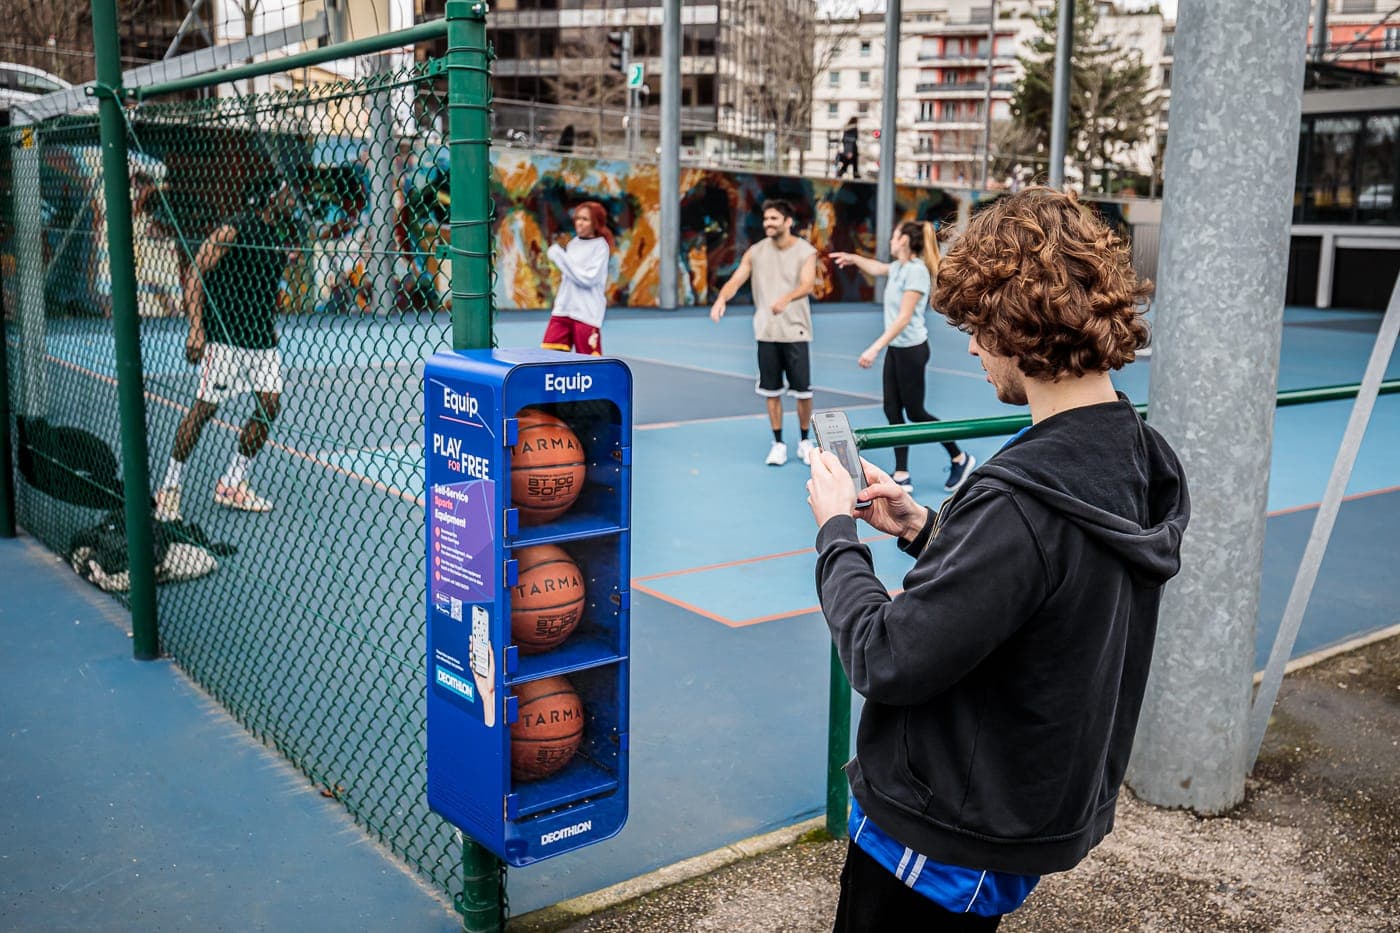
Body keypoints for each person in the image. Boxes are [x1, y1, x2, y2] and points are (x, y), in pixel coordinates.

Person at [806, 186, 1189, 931]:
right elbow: (1041, 583)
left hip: (939, 833)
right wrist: (923, 527)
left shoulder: (1019, 500)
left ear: (1019, 323)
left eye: (980, 327)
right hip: (1017, 812)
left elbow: (885, 657)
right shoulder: (1133, 455)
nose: (974, 347)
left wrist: (836, 535)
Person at [153, 180, 303, 522]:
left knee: (269, 406)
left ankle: (233, 482)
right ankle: (169, 487)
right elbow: (195, 273)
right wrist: (196, 328)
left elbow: (260, 287)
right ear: (270, 197)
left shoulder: (274, 236)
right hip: (225, 340)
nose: (292, 200)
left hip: (261, 342)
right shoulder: (233, 229)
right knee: (204, 409)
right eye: (286, 194)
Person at [830, 221, 975, 496]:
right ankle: (902, 473)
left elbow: (904, 318)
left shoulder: (917, 272)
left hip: (911, 351)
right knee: (892, 410)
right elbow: (877, 268)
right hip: (897, 349)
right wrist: (853, 259)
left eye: (895, 235)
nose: (891, 240)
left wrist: (875, 348)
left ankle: (959, 457)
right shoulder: (898, 267)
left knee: (916, 412)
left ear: (906, 241)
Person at [710, 199, 819, 466]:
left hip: (796, 331)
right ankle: (778, 443)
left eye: (773, 219)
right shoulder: (756, 252)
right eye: (766, 219)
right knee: (772, 391)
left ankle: (805, 441)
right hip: (766, 332)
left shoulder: (806, 251)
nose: (768, 223)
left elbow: (807, 285)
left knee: (803, 392)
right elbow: (736, 279)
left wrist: (786, 298)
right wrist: (721, 298)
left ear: (788, 222)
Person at [542, 201, 614, 355]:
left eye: (585, 219)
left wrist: (559, 256)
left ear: (595, 223)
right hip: (563, 310)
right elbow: (569, 276)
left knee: (589, 361)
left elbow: (588, 279)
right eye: (578, 218)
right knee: (549, 357)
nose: (579, 223)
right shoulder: (573, 244)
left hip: (586, 313)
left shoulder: (600, 247)